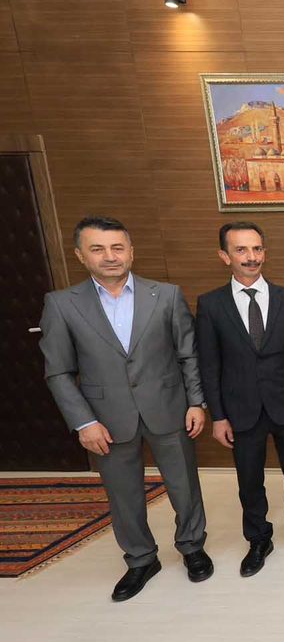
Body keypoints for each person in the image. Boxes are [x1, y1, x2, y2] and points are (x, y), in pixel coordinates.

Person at [39, 216, 211, 601]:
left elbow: (187, 354)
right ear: (80, 255)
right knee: (123, 492)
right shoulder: (62, 304)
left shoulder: (166, 295)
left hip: (169, 407)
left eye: (117, 248)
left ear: (131, 251)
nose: (110, 256)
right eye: (98, 249)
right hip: (106, 418)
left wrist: (196, 402)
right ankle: (140, 559)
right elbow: (59, 372)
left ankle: (192, 546)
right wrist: (84, 422)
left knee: (184, 484)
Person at [197, 221, 284, 577]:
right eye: (241, 250)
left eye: (256, 249)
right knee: (249, 479)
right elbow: (209, 365)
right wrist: (218, 416)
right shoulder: (211, 305)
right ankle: (258, 539)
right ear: (225, 256)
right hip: (240, 409)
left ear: (264, 252)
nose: (251, 257)